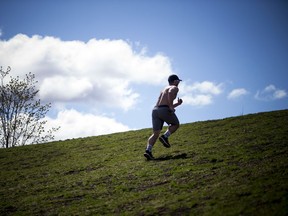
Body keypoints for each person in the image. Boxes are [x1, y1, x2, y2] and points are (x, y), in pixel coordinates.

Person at [144, 74, 183, 160]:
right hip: (164, 109)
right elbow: (170, 94)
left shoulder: (163, 89)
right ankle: (165, 136)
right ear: (175, 81)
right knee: (175, 124)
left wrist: (177, 104)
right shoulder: (174, 88)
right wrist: (171, 107)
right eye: (178, 81)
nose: (179, 83)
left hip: (155, 110)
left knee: (155, 133)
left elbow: (163, 103)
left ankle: (148, 150)